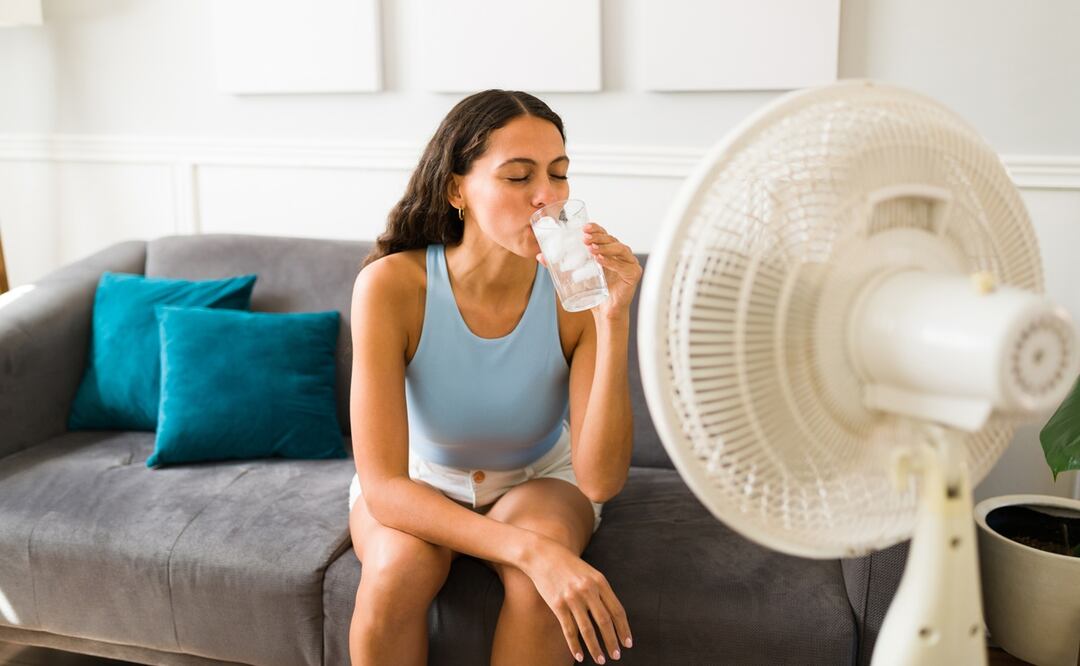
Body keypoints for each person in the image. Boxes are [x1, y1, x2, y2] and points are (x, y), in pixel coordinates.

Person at [347, 89, 643, 666]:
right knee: (396, 571)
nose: (547, 198)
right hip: (420, 479)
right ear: (457, 188)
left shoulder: (578, 292)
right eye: (518, 177)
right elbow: (383, 486)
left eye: (559, 175)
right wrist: (532, 551)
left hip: (539, 479)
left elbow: (601, 481)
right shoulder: (390, 287)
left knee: (540, 591)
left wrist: (613, 320)